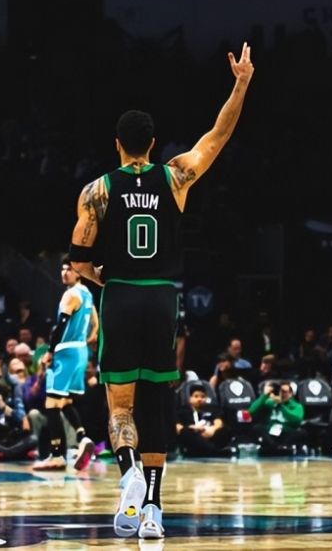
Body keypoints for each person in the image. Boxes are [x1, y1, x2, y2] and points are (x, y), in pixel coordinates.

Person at [68, 42, 254, 539]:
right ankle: (152, 509)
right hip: (162, 299)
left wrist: (104, 279)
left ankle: (128, 472)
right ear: (153, 144)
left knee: (120, 407)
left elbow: (80, 261)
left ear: (117, 144)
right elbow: (217, 136)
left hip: (121, 296)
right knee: (156, 407)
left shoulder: (97, 191)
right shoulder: (175, 177)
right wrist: (241, 84)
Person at [33, 259, 99, 471]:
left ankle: (57, 456)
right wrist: (91, 336)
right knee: (66, 401)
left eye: (69, 269)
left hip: (66, 351)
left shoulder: (70, 295)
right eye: (62, 269)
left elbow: (60, 325)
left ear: (78, 273)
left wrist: (50, 352)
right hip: (80, 351)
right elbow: (95, 321)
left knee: (52, 404)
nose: (64, 272)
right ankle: (83, 438)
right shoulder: (87, 293)